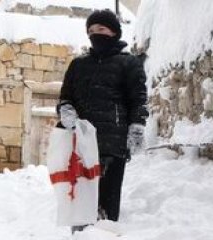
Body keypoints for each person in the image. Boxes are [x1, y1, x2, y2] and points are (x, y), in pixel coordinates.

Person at [57, 9, 148, 223]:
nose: (95, 33)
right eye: (91, 30)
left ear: (114, 32)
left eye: (101, 29)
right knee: (80, 202)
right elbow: (65, 96)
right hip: (81, 143)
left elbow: (138, 99)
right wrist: (65, 109)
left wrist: (137, 126)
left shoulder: (129, 63)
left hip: (112, 144)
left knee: (106, 204)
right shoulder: (78, 65)